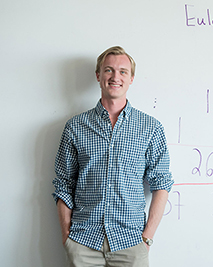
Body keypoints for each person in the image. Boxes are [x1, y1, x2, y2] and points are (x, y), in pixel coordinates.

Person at [52, 46, 174, 267]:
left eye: (123, 71)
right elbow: (64, 183)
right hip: (83, 243)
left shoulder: (150, 128)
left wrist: (147, 238)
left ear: (131, 78)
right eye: (109, 70)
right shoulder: (76, 127)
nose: (115, 76)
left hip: (131, 244)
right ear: (98, 76)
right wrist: (66, 236)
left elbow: (162, 184)